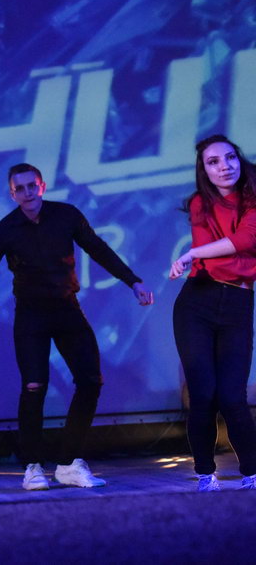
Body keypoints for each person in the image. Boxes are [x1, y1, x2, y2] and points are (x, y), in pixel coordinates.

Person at [0, 163, 154, 491]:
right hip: (31, 316)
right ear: (12, 194)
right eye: (20, 188)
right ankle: (33, 467)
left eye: (32, 186)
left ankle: (68, 463)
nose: (27, 193)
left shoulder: (66, 215)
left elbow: (99, 249)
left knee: (91, 381)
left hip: (68, 309)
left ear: (42, 186)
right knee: (34, 387)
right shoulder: (5, 229)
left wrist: (133, 281)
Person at [168, 134, 256, 491]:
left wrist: (193, 254)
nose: (225, 167)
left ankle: (252, 474)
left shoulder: (253, 198)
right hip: (197, 304)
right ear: (204, 170)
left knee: (233, 397)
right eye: (214, 162)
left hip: (237, 305)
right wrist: (229, 258)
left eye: (230, 158)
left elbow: (247, 239)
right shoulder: (199, 203)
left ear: (239, 159)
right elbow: (221, 258)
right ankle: (206, 474)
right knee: (202, 395)